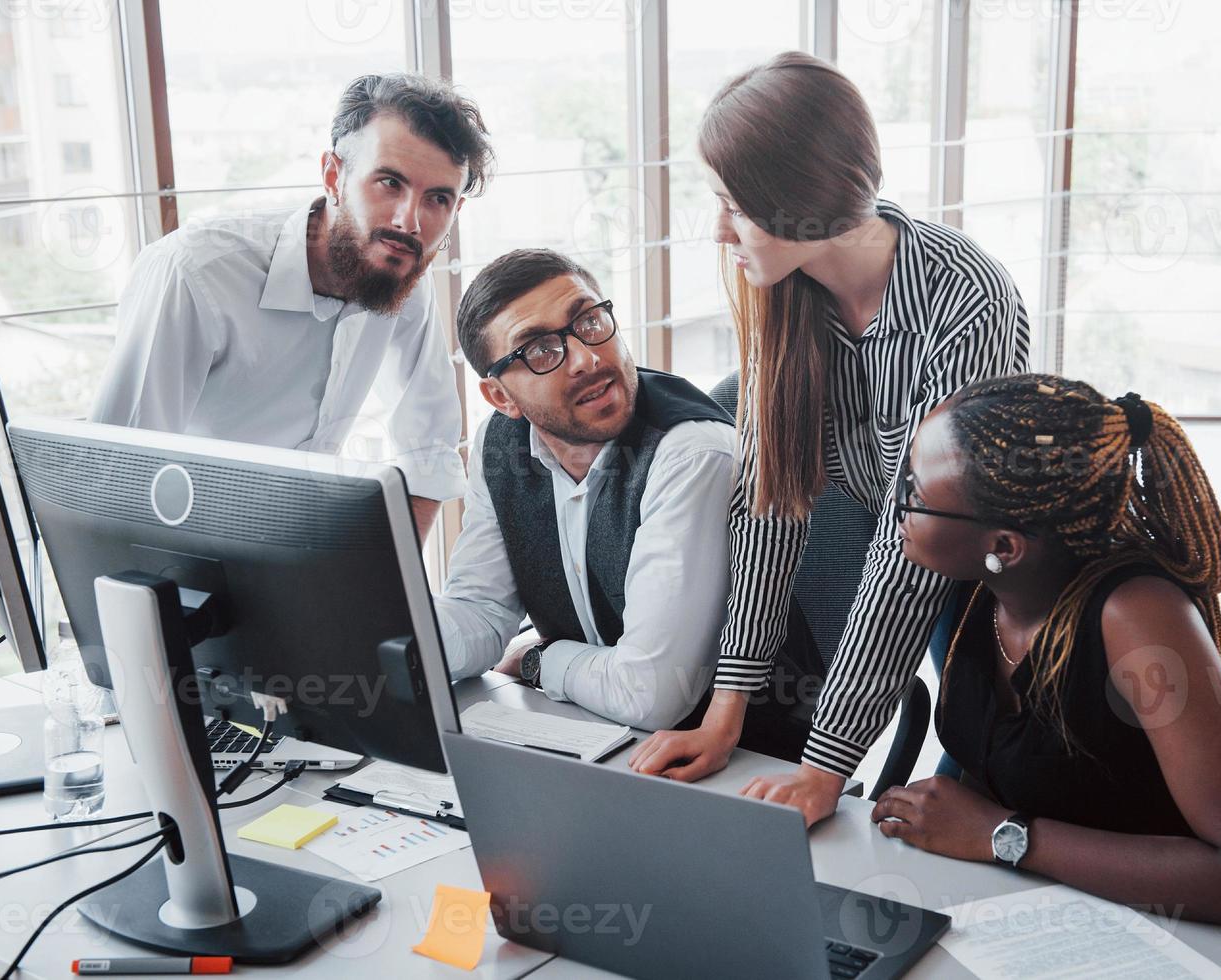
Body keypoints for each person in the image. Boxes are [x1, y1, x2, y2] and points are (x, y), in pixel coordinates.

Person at [629, 52, 1029, 824]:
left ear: (796, 202)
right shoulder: (786, 297)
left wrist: (824, 763)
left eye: (731, 205)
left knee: (991, 776)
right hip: (920, 556)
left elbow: (910, 546)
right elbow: (769, 508)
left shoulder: (965, 301)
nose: (717, 231)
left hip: (1005, 579)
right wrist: (726, 712)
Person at [872, 374, 1221, 934]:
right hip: (1019, 915)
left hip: (1160, 937)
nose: (899, 505)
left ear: (1003, 546)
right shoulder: (969, 589)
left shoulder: (1136, 615)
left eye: (917, 495)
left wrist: (1002, 834)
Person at [90, 72, 493, 535]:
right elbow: (117, 474)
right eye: (388, 183)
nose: (410, 221)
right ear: (333, 176)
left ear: (455, 211)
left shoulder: (399, 269)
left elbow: (429, 451)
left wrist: (390, 588)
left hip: (308, 554)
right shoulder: (194, 274)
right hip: (189, 554)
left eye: (438, 198)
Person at [436, 249, 736, 730]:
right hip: (587, 733)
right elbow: (483, 614)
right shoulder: (501, 443)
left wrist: (541, 660)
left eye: (590, 321)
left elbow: (652, 694)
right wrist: (384, 629)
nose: (586, 359)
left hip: (743, 764)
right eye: (539, 350)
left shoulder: (690, 453)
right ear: (501, 397)